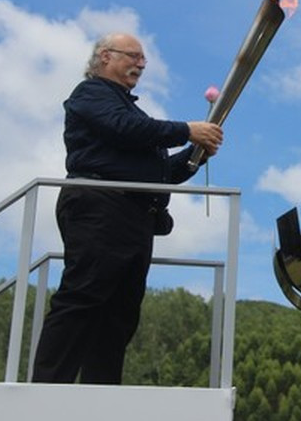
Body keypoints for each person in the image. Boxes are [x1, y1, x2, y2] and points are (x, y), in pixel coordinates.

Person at [31, 32, 223, 384]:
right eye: (133, 55)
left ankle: (102, 390)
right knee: (84, 295)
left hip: (134, 214)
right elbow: (124, 128)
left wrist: (194, 157)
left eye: (143, 58)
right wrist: (186, 130)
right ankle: (47, 386)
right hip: (100, 204)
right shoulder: (91, 93)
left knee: (120, 311)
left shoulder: (130, 111)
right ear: (105, 56)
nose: (142, 63)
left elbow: (159, 174)